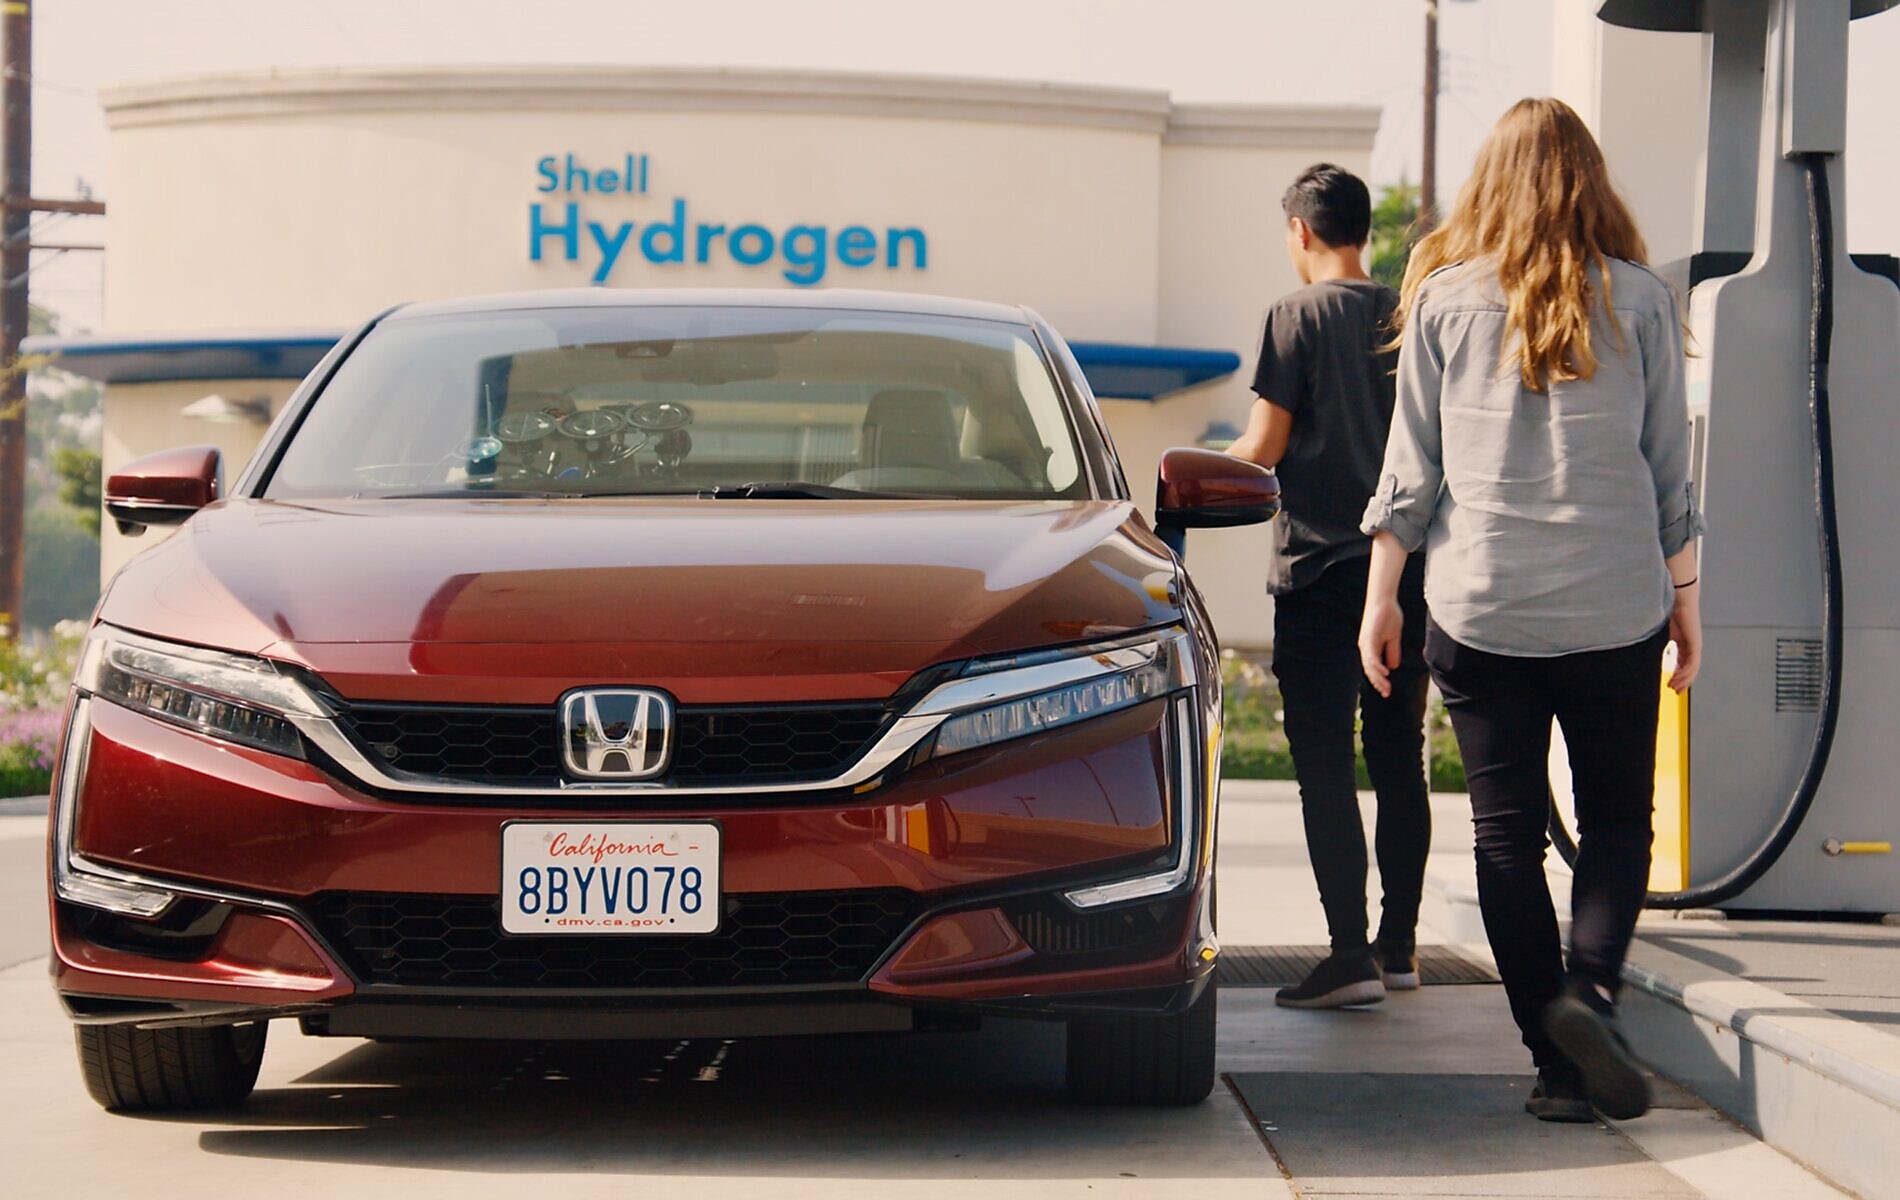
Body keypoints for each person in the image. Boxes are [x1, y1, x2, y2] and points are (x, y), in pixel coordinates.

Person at [1357, 98, 1703, 1124]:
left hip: (1480, 608)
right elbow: (1667, 480)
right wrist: (1687, 606)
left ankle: (1555, 1066)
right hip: (1611, 607)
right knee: (1613, 822)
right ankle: (1590, 992)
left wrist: (1382, 596)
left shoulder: (1440, 301)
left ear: (1488, 185)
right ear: (1591, 181)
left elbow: (1407, 474)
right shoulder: (1639, 301)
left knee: (1506, 839)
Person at [1228, 162, 1433, 1010]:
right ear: (1364, 232)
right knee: (1398, 759)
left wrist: (1186, 474)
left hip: (1318, 570)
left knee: (1323, 764)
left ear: (1301, 232)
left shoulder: (1294, 315)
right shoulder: (1409, 312)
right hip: (1406, 571)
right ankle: (1399, 950)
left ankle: (1347, 954)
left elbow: (1264, 446)